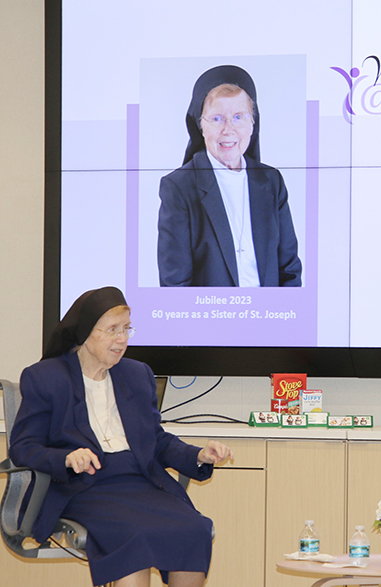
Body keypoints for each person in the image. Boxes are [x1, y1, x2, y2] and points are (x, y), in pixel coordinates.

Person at [10, 287, 234, 587]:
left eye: (127, 329)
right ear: (86, 332)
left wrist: (197, 455)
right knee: (133, 535)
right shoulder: (46, 377)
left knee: (194, 528)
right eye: (113, 330)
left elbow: (156, 440)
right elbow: (23, 447)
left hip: (141, 483)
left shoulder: (137, 374)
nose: (122, 339)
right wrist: (65, 458)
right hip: (85, 487)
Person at [157, 64, 302, 287]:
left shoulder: (272, 182)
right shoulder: (179, 188)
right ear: (200, 125)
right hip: (208, 320)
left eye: (238, 117)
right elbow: (174, 285)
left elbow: (290, 271)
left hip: (268, 318)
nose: (228, 129)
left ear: (253, 122)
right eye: (216, 118)